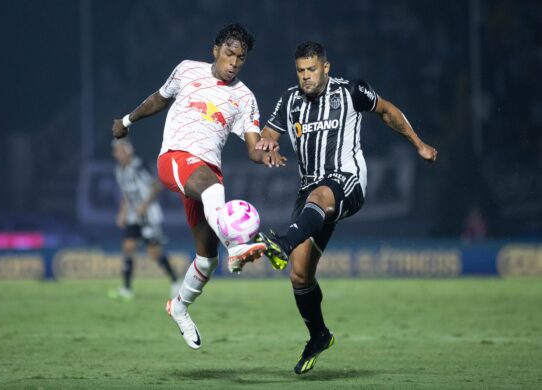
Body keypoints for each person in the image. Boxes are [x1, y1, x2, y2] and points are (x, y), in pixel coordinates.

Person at [255, 41, 438, 374]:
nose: (306, 76)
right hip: (309, 188)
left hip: (347, 180)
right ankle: (319, 335)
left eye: (312, 69)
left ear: (326, 67)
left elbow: (387, 111)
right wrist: (266, 144)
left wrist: (419, 144)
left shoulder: (352, 91)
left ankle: (281, 241)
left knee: (318, 199)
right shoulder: (289, 99)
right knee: (299, 274)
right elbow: (268, 132)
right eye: (300, 70)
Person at [112, 24, 279, 350]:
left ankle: (180, 307)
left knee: (206, 260)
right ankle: (237, 245)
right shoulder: (188, 70)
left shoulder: (244, 97)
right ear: (216, 49)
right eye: (229, 53)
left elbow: (253, 147)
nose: (234, 62)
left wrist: (265, 152)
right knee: (211, 189)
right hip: (176, 158)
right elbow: (159, 100)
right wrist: (128, 121)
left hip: (207, 177)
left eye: (241, 59)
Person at [110, 138, 180, 300]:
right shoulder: (119, 171)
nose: (117, 154)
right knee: (128, 246)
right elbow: (126, 194)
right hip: (133, 216)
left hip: (149, 215)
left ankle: (175, 281)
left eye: (120, 151)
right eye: (116, 152)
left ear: (128, 151)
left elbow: (156, 186)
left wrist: (144, 206)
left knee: (154, 252)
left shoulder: (139, 166)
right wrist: (122, 212)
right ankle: (126, 289)